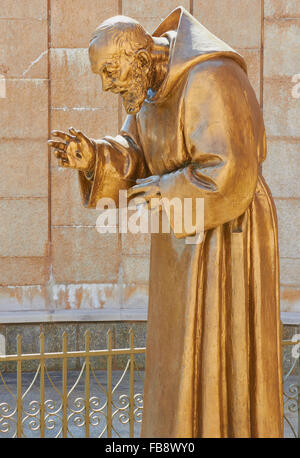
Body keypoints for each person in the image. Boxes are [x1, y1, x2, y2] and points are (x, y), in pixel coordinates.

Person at [49, 7, 283, 438]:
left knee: (216, 346)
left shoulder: (212, 75)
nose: (107, 84)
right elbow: (133, 151)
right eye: (102, 75)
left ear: (138, 58)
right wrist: (95, 157)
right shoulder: (145, 89)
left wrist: (167, 190)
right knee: (179, 349)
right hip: (181, 230)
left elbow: (230, 168)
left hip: (226, 231)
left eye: (111, 71)